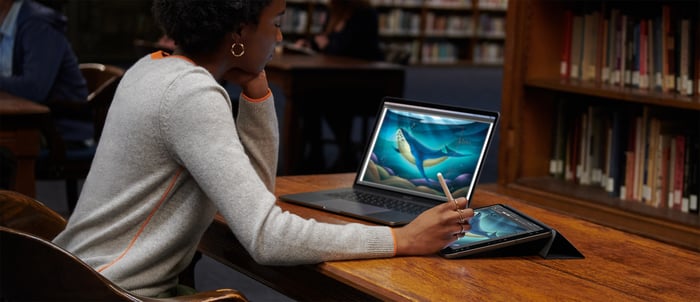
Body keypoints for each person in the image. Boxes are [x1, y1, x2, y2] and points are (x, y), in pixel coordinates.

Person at [52, 0, 474, 297]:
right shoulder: (191, 95)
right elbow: (267, 238)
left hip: (70, 273)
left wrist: (256, 90)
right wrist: (401, 240)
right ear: (239, 32)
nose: (280, 34)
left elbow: (255, 195)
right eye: (276, 20)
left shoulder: (153, 66)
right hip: (110, 289)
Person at [295, 0, 385, 172]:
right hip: (339, 82)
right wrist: (311, 44)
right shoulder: (334, 12)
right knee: (307, 95)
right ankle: (318, 154)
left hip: (363, 85)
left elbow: (355, 49)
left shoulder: (366, 14)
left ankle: (344, 153)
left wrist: (328, 44)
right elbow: (325, 39)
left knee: (319, 98)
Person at [0, 0, 91, 144]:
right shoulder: (6, 22)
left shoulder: (38, 24)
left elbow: (34, 89)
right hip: (29, 124)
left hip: (61, 131)